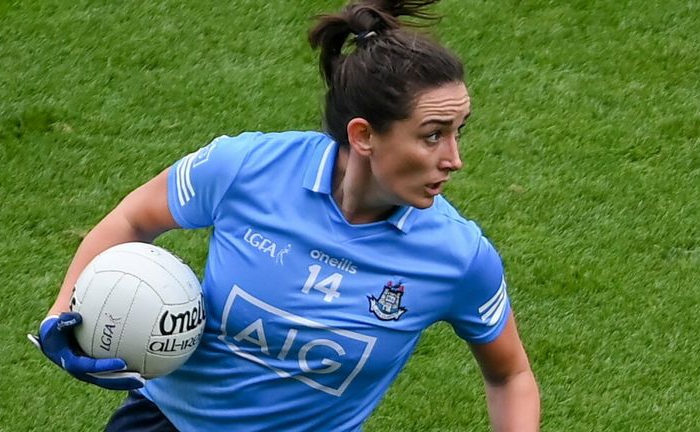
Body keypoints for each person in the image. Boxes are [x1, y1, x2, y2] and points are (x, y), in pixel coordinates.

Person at [28, 0, 540, 430]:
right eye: (433, 135)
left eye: (458, 131)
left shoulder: (456, 256)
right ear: (363, 136)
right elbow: (134, 220)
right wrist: (61, 311)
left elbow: (509, 375)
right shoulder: (246, 168)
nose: (454, 158)